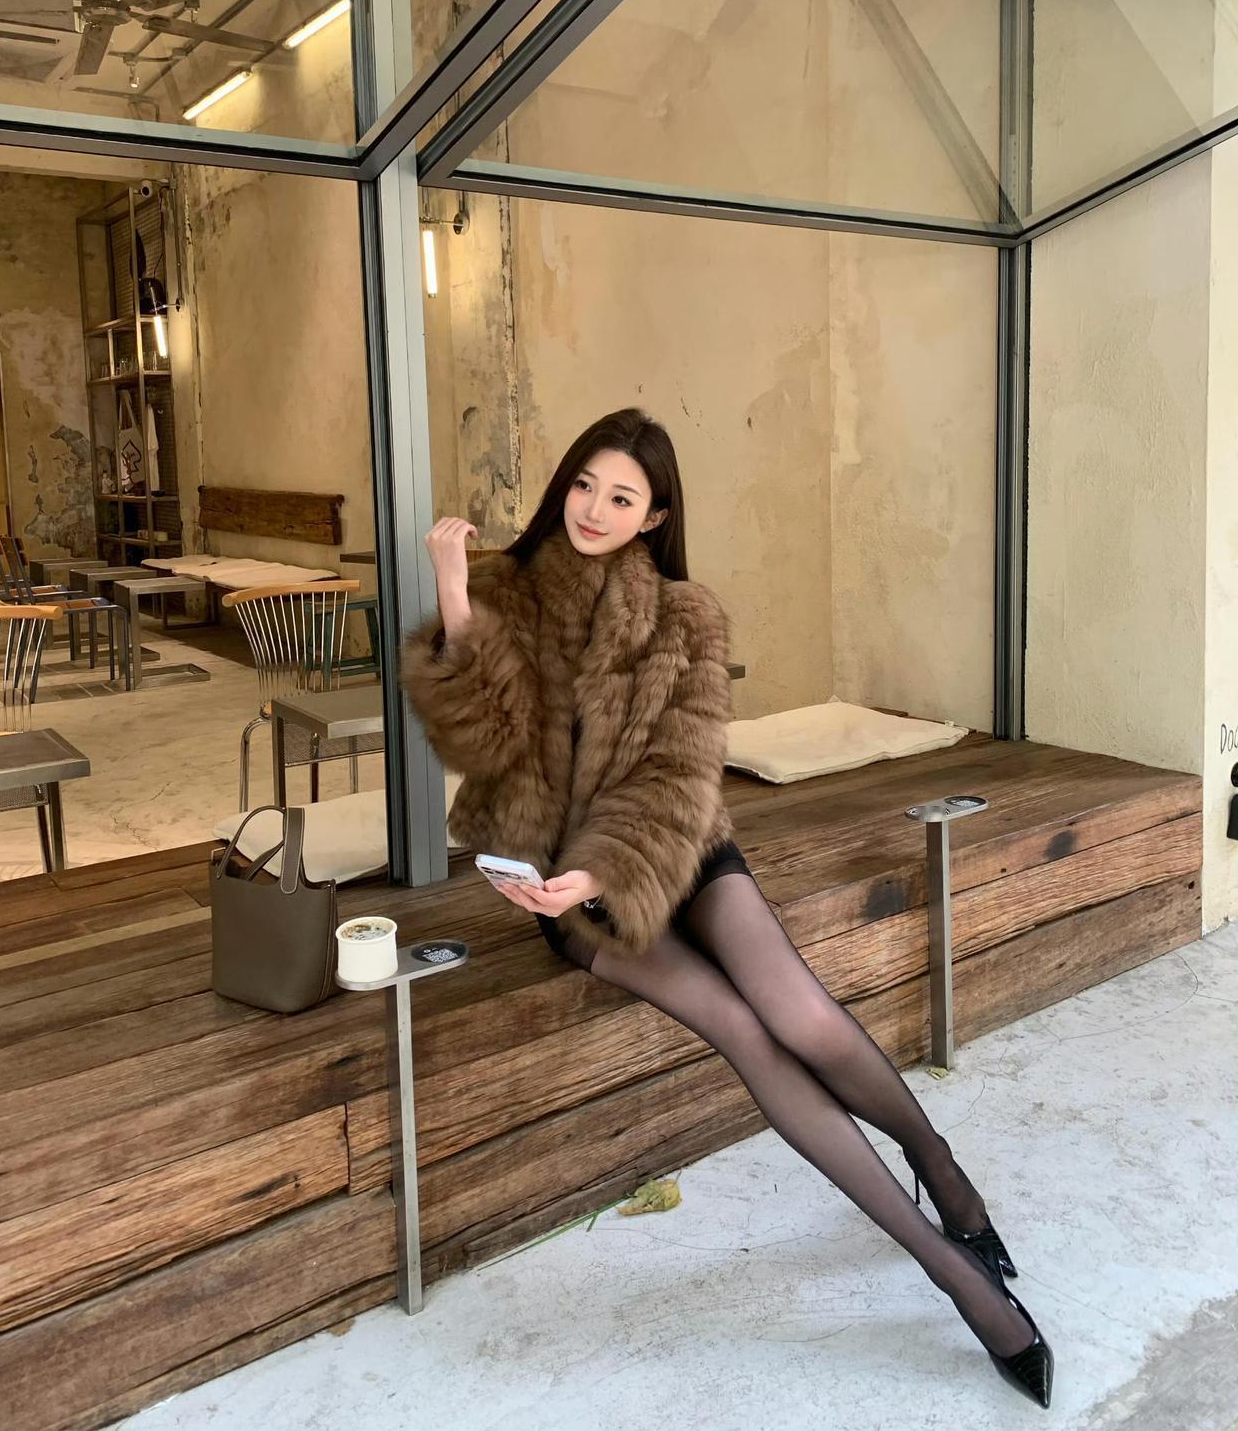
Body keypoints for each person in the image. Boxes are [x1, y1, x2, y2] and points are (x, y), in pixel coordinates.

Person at [401, 406, 1053, 1409]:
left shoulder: (684, 617)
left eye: (621, 496)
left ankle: (937, 1163)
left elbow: (680, 772)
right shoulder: (503, 591)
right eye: (583, 484)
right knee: (742, 1029)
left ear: (655, 516)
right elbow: (484, 745)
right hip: (562, 885)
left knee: (799, 1013)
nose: (593, 508)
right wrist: (454, 597)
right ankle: (951, 1271)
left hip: (673, 843)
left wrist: (610, 863)